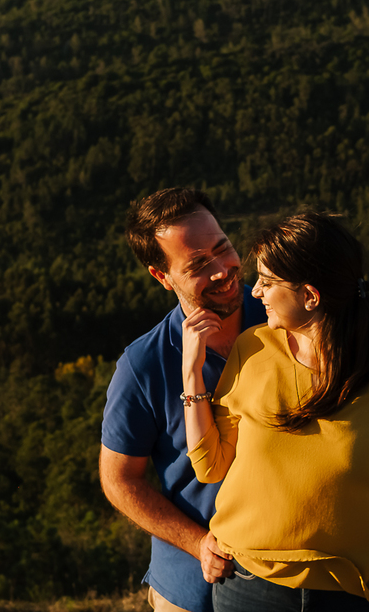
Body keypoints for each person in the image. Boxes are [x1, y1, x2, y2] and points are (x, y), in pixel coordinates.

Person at [182, 211, 369, 612]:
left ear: (310, 295)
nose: (256, 293)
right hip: (249, 584)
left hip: (357, 592)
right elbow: (210, 466)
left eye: (268, 283)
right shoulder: (251, 348)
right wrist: (192, 374)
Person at [100, 188, 269, 612]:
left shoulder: (280, 315)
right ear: (162, 276)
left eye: (223, 248)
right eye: (197, 264)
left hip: (287, 582)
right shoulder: (143, 365)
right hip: (194, 592)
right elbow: (119, 480)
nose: (222, 270)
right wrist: (198, 544)